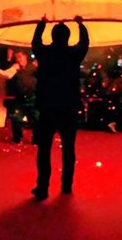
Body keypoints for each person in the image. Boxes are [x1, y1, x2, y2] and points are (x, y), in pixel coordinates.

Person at [31, 15, 89, 200]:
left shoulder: (44, 54)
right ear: (67, 37)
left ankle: (42, 187)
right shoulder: (73, 55)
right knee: (69, 149)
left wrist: (41, 24)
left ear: (53, 36)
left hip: (47, 107)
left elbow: (35, 42)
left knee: (44, 149)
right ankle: (66, 185)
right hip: (68, 107)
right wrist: (81, 24)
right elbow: (84, 43)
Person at [5, 50, 37, 144]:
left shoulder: (33, 67)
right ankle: (17, 138)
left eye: (20, 57)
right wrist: (9, 59)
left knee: (36, 119)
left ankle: (37, 139)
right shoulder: (14, 69)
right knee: (16, 119)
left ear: (25, 57)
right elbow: (6, 75)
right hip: (19, 99)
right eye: (16, 58)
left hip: (33, 98)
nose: (18, 59)